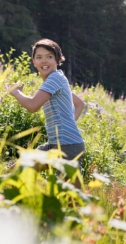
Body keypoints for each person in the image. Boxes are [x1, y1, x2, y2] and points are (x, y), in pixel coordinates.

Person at [8, 39, 86, 179]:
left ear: (57, 60)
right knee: (15, 172)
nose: (44, 61)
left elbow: (32, 106)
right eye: (39, 57)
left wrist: (16, 93)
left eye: (49, 57)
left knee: (68, 198)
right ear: (34, 62)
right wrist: (69, 124)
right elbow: (80, 103)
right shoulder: (58, 80)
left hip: (69, 147)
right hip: (54, 145)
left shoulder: (55, 78)